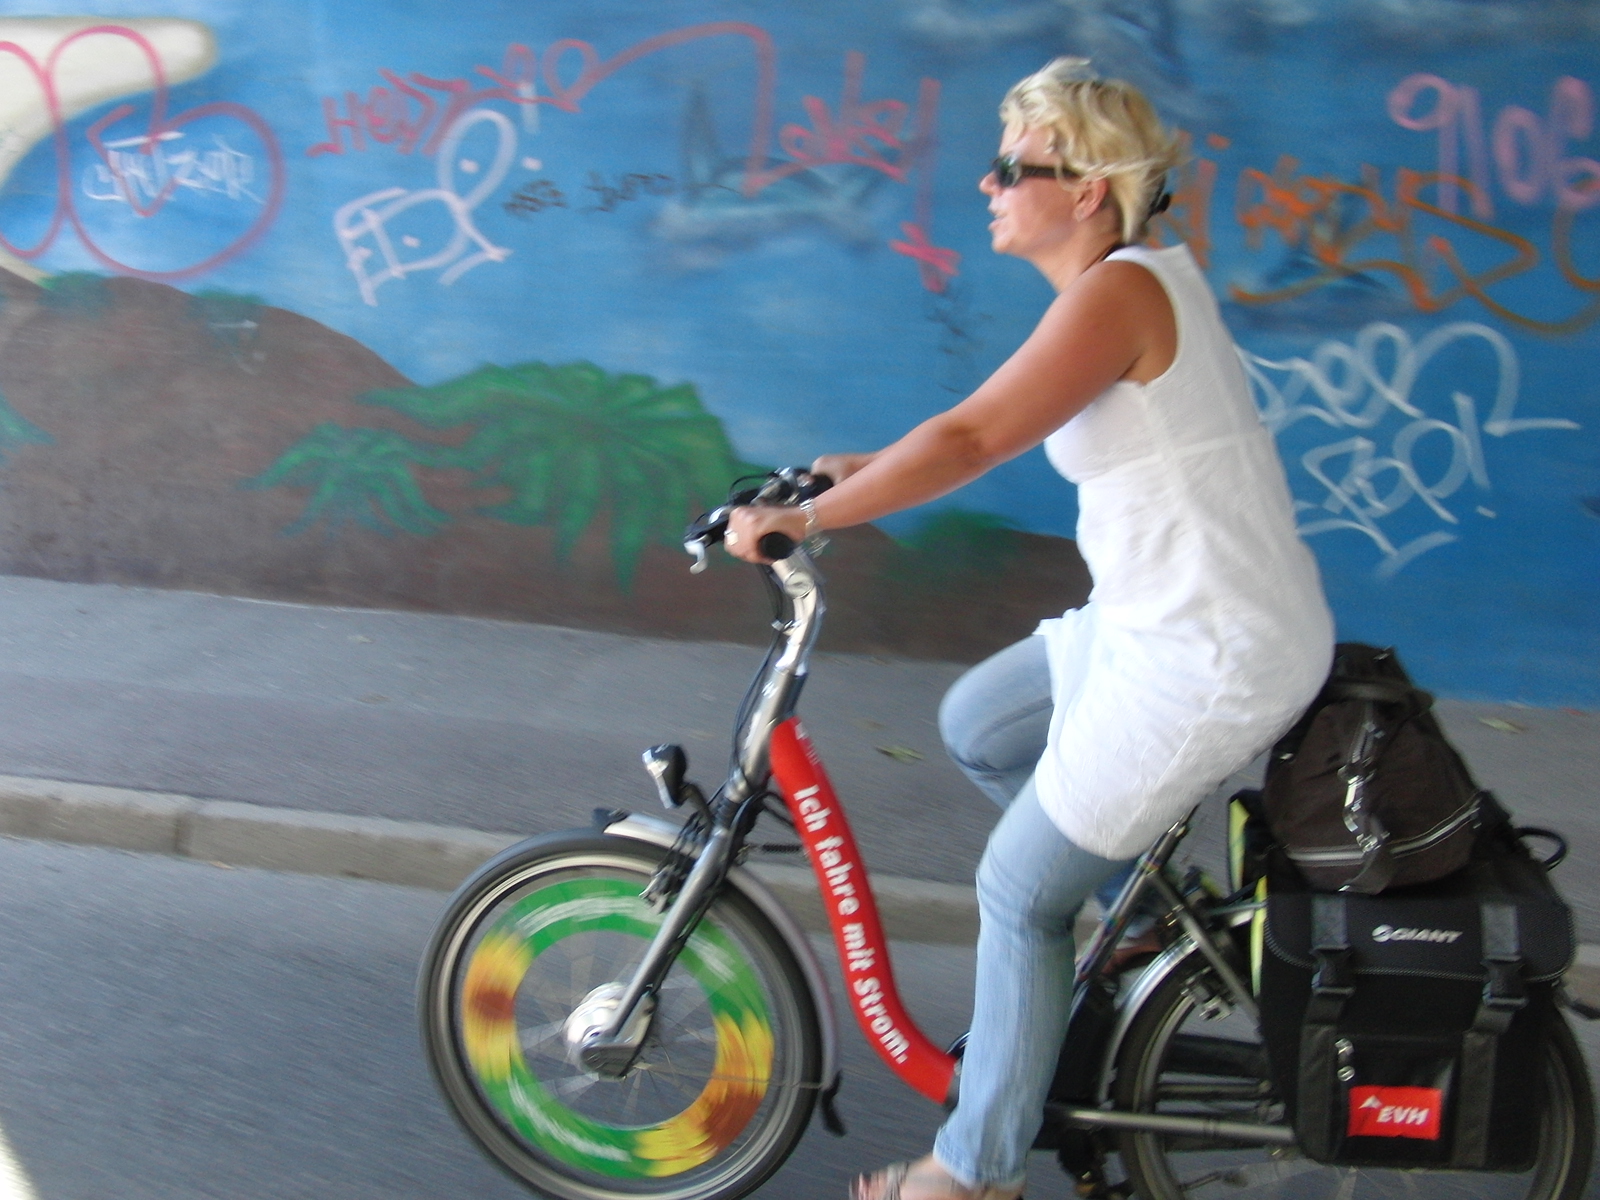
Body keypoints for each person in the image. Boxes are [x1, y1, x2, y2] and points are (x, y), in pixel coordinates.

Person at [724, 57, 1334, 1200]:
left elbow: (971, 441)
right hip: (1164, 617)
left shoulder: (1120, 295)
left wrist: (805, 519)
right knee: (982, 723)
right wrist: (861, 472)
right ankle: (1145, 931)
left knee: (1017, 891)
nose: (986, 184)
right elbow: (981, 419)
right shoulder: (1118, 284)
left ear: (1087, 189)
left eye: (1013, 167)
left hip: (1208, 651)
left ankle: (976, 1173)